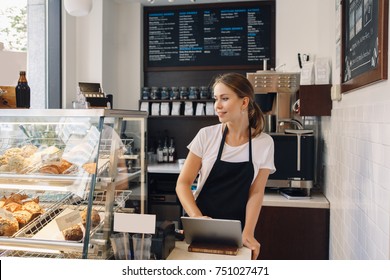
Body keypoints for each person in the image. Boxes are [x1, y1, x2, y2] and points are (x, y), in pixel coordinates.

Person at [175, 73, 275, 260]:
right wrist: (197, 218)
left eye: (225, 98)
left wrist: (248, 232)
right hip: (200, 228)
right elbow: (183, 183)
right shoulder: (206, 135)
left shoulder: (264, 143)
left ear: (244, 103)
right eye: (216, 99)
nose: (217, 106)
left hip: (237, 231)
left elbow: (256, 192)